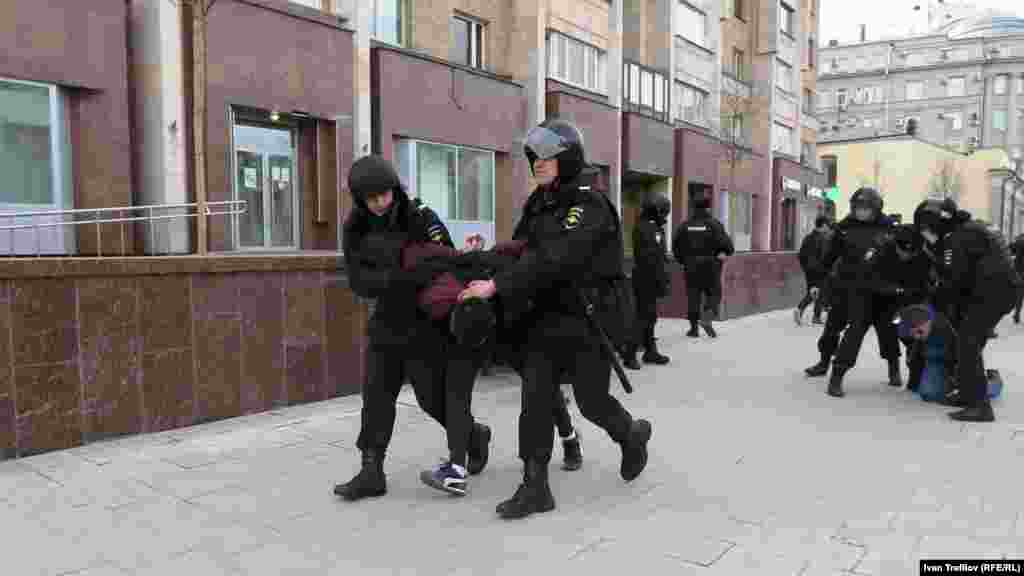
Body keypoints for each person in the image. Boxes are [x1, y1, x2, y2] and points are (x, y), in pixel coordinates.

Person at [458, 118, 652, 519]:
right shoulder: (540, 202)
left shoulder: (589, 204)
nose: (538, 163)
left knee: (591, 401)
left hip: (588, 317)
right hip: (545, 316)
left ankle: (630, 435)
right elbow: (522, 249)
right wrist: (478, 261)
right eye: (533, 157)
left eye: (546, 156)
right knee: (535, 395)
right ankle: (535, 486)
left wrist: (497, 287)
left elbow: (556, 258)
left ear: (569, 158)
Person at [333, 155, 491, 501]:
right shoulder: (355, 227)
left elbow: (448, 261)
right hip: (386, 321)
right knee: (376, 395)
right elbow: (358, 280)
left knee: (431, 398)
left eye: (384, 194)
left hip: (425, 322)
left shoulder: (420, 215)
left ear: (395, 188)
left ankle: (474, 435)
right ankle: (371, 470)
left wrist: (400, 277)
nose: (379, 202)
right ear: (360, 198)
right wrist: (401, 278)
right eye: (371, 197)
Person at [913, 198, 1019, 422]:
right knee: (968, 342)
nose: (926, 236)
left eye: (926, 230)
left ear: (935, 224)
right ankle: (967, 394)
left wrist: (935, 299)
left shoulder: (957, 239)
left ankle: (980, 406)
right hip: (998, 291)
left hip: (993, 293)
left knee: (968, 343)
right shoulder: (967, 230)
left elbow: (954, 281)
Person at [812, 187, 903, 397]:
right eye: (858, 208)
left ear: (876, 208)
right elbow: (829, 258)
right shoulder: (844, 228)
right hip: (848, 287)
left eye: (866, 208)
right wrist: (817, 282)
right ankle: (829, 367)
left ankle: (893, 368)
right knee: (835, 329)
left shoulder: (889, 228)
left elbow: (901, 258)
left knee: (886, 332)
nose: (861, 212)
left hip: (880, 291)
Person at [672, 196, 734, 338]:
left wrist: (684, 261)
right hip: (711, 266)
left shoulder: (685, 225)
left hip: (691, 267)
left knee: (693, 296)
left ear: (693, 208)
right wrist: (723, 253)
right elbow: (727, 246)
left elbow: (676, 246)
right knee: (714, 294)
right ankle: (707, 318)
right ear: (708, 208)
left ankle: (693, 329)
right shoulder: (715, 224)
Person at [623, 194, 671, 366]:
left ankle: (650, 351)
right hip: (647, 278)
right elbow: (650, 258)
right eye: (664, 211)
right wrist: (660, 278)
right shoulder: (647, 228)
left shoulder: (651, 226)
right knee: (643, 318)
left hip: (649, 277)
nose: (665, 215)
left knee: (650, 317)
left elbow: (657, 255)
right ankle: (629, 354)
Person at [795, 216, 832, 326]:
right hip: (819, 270)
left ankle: (810, 314)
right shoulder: (822, 239)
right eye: (827, 225)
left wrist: (805, 268)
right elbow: (824, 256)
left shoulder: (808, 237)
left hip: (809, 271)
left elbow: (800, 255)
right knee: (820, 292)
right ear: (823, 225)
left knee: (814, 292)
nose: (828, 228)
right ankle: (804, 311)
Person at [1011, 232, 1024, 323]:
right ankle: (1017, 314)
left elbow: (1010, 250)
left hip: (1019, 270)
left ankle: (1017, 314)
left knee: (1019, 293)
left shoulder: (1019, 241)